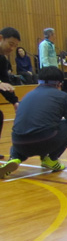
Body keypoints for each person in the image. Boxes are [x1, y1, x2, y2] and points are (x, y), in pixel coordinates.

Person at [0, 66, 67, 179]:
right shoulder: (63, 97)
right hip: (43, 141)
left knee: (24, 130)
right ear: (59, 83)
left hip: (18, 143)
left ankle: (14, 158)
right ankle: (51, 159)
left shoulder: (27, 95)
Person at [0, 27, 21, 160]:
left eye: (15, 46)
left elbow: (5, 83)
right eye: (11, 44)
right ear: (1, 38)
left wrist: (15, 101)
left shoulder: (2, 60)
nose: (12, 48)